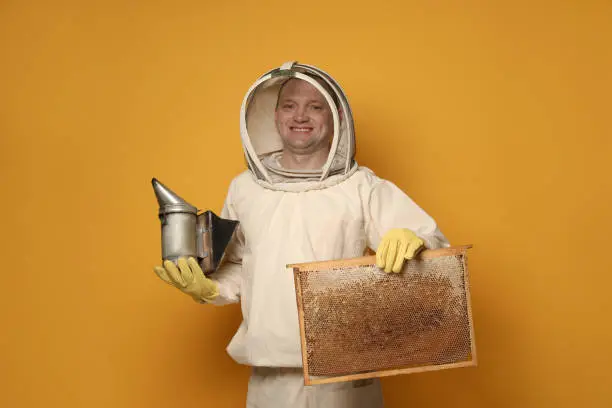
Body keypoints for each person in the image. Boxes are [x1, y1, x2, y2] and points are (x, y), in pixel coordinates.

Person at [153, 61, 450, 408]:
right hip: (270, 378)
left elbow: (430, 244)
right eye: (290, 106)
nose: (301, 116)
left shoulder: (359, 185)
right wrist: (210, 288)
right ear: (275, 115)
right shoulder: (244, 189)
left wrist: (414, 240)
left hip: (344, 376)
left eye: (314, 106)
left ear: (335, 115)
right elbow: (237, 265)